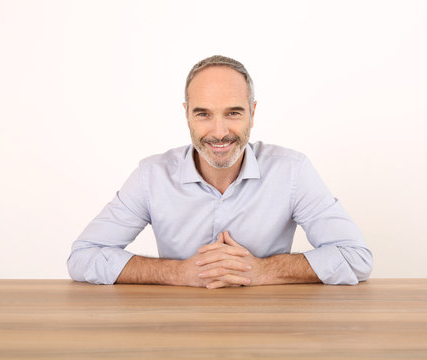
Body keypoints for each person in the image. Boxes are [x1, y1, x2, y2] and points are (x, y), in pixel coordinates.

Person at [67, 55, 373, 288]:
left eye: (233, 113)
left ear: (252, 113)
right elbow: (83, 257)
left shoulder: (292, 171)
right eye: (203, 114)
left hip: (268, 329)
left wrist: (262, 270)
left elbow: (356, 257)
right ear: (186, 113)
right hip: (177, 330)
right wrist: (177, 272)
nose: (219, 132)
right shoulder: (152, 176)